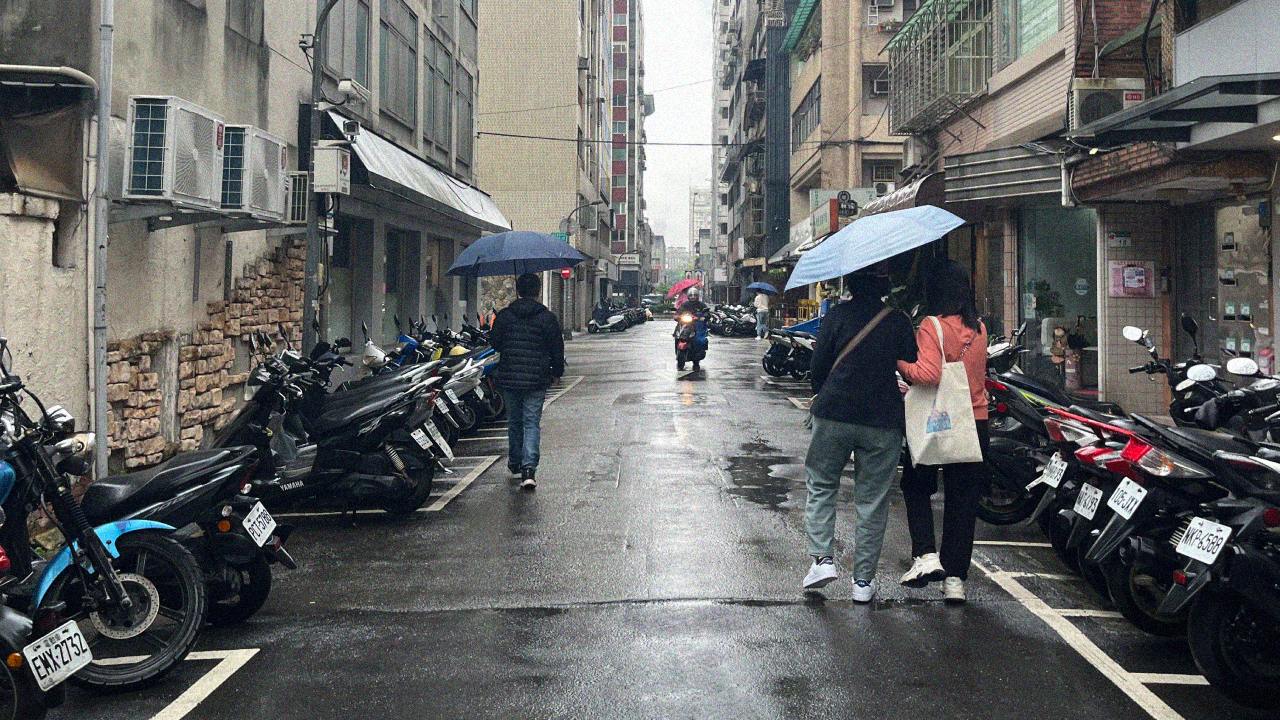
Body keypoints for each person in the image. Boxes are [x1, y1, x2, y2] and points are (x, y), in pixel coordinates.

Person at [802, 263, 917, 602]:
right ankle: (863, 583)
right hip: (882, 419)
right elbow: (911, 362)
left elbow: (818, 366)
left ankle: (822, 559)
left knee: (822, 484)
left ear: (850, 283)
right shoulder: (897, 320)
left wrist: (825, 391)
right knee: (872, 499)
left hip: (835, 413)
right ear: (884, 286)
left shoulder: (836, 316)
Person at [896, 260, 989, 604]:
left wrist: (900, 363)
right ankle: (955, 581)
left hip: (937, 422)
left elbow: (930, 373)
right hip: (975, 423)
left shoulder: (930, 325)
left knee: (916, 484)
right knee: (963, 503)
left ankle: (926, 554)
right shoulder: (978, 328)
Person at [489, 273, 565, 490]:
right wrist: (557, 371)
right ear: (538, 291)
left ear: (518, 290)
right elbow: (556, 347)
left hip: (510, 377)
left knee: (514, 421)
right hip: (536, 378)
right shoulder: (547, 317)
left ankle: (515, 462)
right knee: (531, 422)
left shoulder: (505, 316)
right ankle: (529, 469)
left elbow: (495, 343)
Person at [675, 286, 710, 371]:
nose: (693, 297)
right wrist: (677, 316)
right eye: (691, 295)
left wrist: (704, 317)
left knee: (699, 340)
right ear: (688, 296)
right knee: (677, 334)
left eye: (694, 295)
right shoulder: (685, 304)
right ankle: (678, 352)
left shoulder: (701, 305)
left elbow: (707, 313)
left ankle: (696, 360)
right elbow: (679, 312)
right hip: (685, 325)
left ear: (697, 296)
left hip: (698, 325)